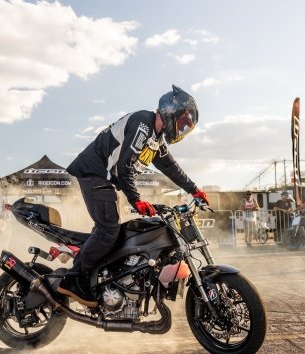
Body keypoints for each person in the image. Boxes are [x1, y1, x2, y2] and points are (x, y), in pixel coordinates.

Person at [46, 84, 209, 307]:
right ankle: (75, 279)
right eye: (182, 123)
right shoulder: (144, 123)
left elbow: (170, 167)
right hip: (95, 173)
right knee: (108, 230)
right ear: (171, 111)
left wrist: (194, 189)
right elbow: (124, 167)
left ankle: (101, 278)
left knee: (115, 231)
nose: (182, 129)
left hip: (105, 180)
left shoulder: (155, 138)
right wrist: (136, 199)